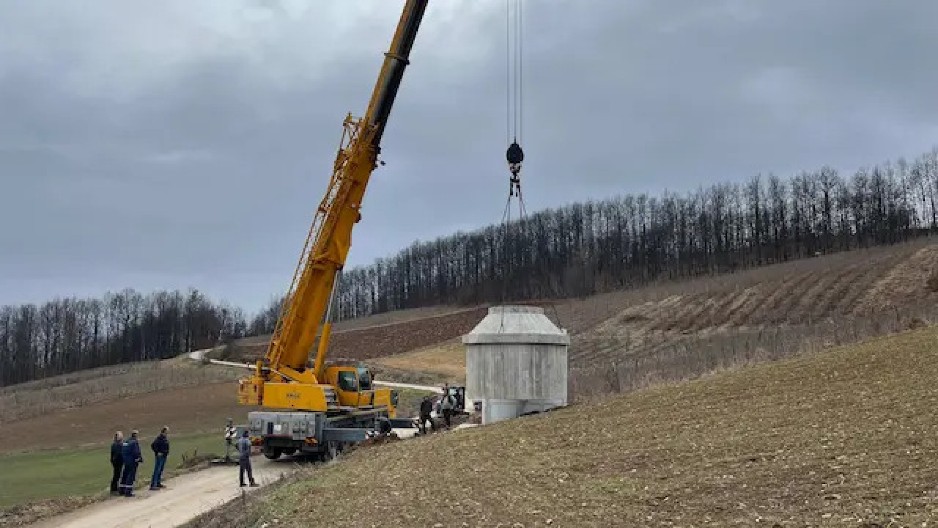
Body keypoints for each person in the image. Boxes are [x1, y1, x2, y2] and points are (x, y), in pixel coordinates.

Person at [119, 430, 143, 497]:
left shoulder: (125, 442)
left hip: (126, 461)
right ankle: (128, 491)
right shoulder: (134, 442)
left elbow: (123, 451)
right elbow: (136, 452)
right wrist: (139, 458)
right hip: (132, 461)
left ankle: (121, 490)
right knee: (131, 476)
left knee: (125, 475)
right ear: (135, 435)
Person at [150, 426, 170, 490]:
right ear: (164, 431)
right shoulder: (159, 438)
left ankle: (158, 483)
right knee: (157, 470)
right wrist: (157, 452)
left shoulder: (165, 438)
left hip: (164, 456)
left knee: (160, 470)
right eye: (167, 431)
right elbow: (153, 445)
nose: (167, 433)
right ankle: (153, 485)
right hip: (160, 456)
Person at [109, 431, 124, 496]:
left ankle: (114, 488)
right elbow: (119, 453)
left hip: (115, 461)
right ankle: (114, 489)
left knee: (116, 475)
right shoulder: (119, 444)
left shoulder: (114, 444)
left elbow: (112, 454)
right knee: (117, 475)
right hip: (118, 461)